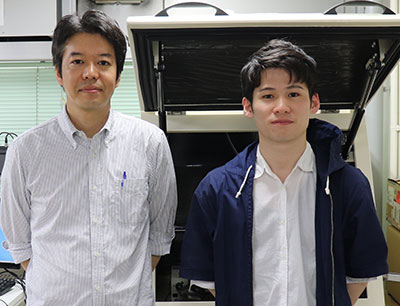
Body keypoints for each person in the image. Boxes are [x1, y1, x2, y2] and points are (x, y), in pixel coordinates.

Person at [179, 39, 388, 306]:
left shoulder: (347, 185)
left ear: (313, 103)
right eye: (268, 96)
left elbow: (361, 272)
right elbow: (212, 279)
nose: (281, 107)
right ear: (248, 106)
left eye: (293, 94)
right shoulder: (217, 188)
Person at [0, 10, 177, 306]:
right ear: (59, 72)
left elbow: (158, 239)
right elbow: (21, 246)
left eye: (104, 62)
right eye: (77, 61)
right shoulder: (26, 150)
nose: (91, 73)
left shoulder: (150, 143)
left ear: (118, 75)